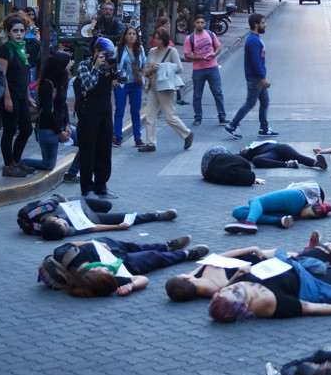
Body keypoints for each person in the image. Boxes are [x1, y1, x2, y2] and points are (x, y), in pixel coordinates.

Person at [166, 238, 331, 301]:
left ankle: (315, 256)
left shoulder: (195, 277)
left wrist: (253, 249)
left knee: (315, 255)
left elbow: (221, 256)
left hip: (261, 257)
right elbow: (223, 289)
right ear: (186, 280)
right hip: (273, 264)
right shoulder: (214, 288)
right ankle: (323, 262)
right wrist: (254, 251)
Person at [39, 236, 209, 298]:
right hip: (126, 264)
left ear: (92, 269)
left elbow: (64, 245)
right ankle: (186, 254)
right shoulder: (110, 279)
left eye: (106, 270)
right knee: (153, 257)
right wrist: (131, 285)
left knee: (131, 245)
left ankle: (167, 245)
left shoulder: (69, 257)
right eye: (109, 273)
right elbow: (143, 279)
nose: (110, 270)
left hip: (106, 247)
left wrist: (92, 242)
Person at [75, 37, 127, 198]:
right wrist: (97, 68)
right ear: (96, 52)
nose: (108, 57)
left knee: (104, 150)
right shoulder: (84, 65)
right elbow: (88, 85)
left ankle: (101, 186)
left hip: (105, 112)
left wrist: (114, 66)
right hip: (87, 113)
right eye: (106, 54)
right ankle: (87, 188)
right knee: (88, 150)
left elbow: (125, 78)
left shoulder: (110, 66)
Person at [18, 193, 178, 240]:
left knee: (107, 205)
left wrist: (67, 204)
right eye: (67, 228)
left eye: (65, 224)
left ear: (54, 219)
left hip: (77, 204)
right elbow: (91, 229)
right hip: (90, 218)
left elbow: (57, 196)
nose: (68, 226)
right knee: (123, 217)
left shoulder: (45, 209)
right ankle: (157, 215)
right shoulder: (61, 231)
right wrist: (116, 227)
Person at [21, 51, 80, 177]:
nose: (70, 65)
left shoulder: (62, 81)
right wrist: (60, 132)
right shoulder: (47, 84)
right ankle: (19, 161)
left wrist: (68, 125)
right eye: (68, 62)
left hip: (62, 126)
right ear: (60, 65)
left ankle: (72, 174)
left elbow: (63, 105)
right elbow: (47, 112)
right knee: (48, 164)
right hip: (47, 128)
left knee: (87, 143)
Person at [138, 28, 194, 153]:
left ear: (164, 39)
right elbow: (146, 70)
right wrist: (152, 68)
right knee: (150, 116)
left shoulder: (171, 51)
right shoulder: (152, 51)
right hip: (153, 87)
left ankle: (187, 134)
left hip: (166, 88)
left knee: (169, 116)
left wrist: (163, 66)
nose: (156, 41)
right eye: (155, 38)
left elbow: (179, 68)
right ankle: (150, 143)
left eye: (159, 38)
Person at [225, 14, 276, 139]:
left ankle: (264, 128)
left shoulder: (255, 38)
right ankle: (232, 125)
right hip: (256, 78)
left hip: (258, 77)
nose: (265, 25)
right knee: (250, 102)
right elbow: (256, 61)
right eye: (263, 23)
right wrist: (262, 78)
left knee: (265, 101)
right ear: (256, 24)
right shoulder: (253, 40)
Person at [0, 14, 35, 178]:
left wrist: (28, 96)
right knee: (10, 130)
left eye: (21, 30)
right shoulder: (6, 49)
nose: (19, 34)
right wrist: (7, 98)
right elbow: (1, 76)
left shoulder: (21, 48)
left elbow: (25, 76)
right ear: (8, 33)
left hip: (20, 96)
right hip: (8, 96)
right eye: (15, 31)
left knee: (26, 129)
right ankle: (8, 165)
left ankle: (16, 161)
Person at [225, 181, 331, 233]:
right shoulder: (312, 193)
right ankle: (279, 221)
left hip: (296, 196)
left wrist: (321, 200)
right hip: (293, 211)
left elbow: (316, 193)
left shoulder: (312, 185)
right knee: (238, 211)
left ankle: (250, 223)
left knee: (255, 201)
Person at [183, 15, 227, 127]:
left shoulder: (211, 34)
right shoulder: (190, 38)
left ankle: (222, 116)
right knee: (197, 95)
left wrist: (214, 54)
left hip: (212, 67)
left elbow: (218, 47)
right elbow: (187, 55)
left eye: (202, 22)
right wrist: (199, 58)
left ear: (205, 23)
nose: (200, 24)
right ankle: (198, 117)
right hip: (198, 70)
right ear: (194, 23)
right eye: (197, 22)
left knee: (217, 92)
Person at [113, 26, 146, 148]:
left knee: (136, 112)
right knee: (120, 111)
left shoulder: (140, 49)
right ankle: (118, 138)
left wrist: (143, 74)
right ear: (125, 36)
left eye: (134, 34)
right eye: (129, 34)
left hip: (135, 84)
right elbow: (112, 64)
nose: (132, 36)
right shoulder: (120, 49)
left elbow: (145, 62)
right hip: (122, 84)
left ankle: (138, 138)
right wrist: (113, 79)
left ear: (137, 36)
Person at [150, 16, 187, 105]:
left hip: (169, 63)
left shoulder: (166, 35)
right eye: (166, 23)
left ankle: (177, 98)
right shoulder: (157, 37)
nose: (168, 25)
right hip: (163, 64)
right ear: (161, 24)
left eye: (169, 23)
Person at [240, 141, 327, 169]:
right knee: (256, 160)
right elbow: (236, 156)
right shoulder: (247, 155)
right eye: (243, 150)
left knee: (298, 156)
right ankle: (288, 164)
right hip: (271, 155)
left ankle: (316, 163)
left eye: (243, 148)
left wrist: (248, 147)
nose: (244, 149)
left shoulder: (253, 144)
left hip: (280, 148)